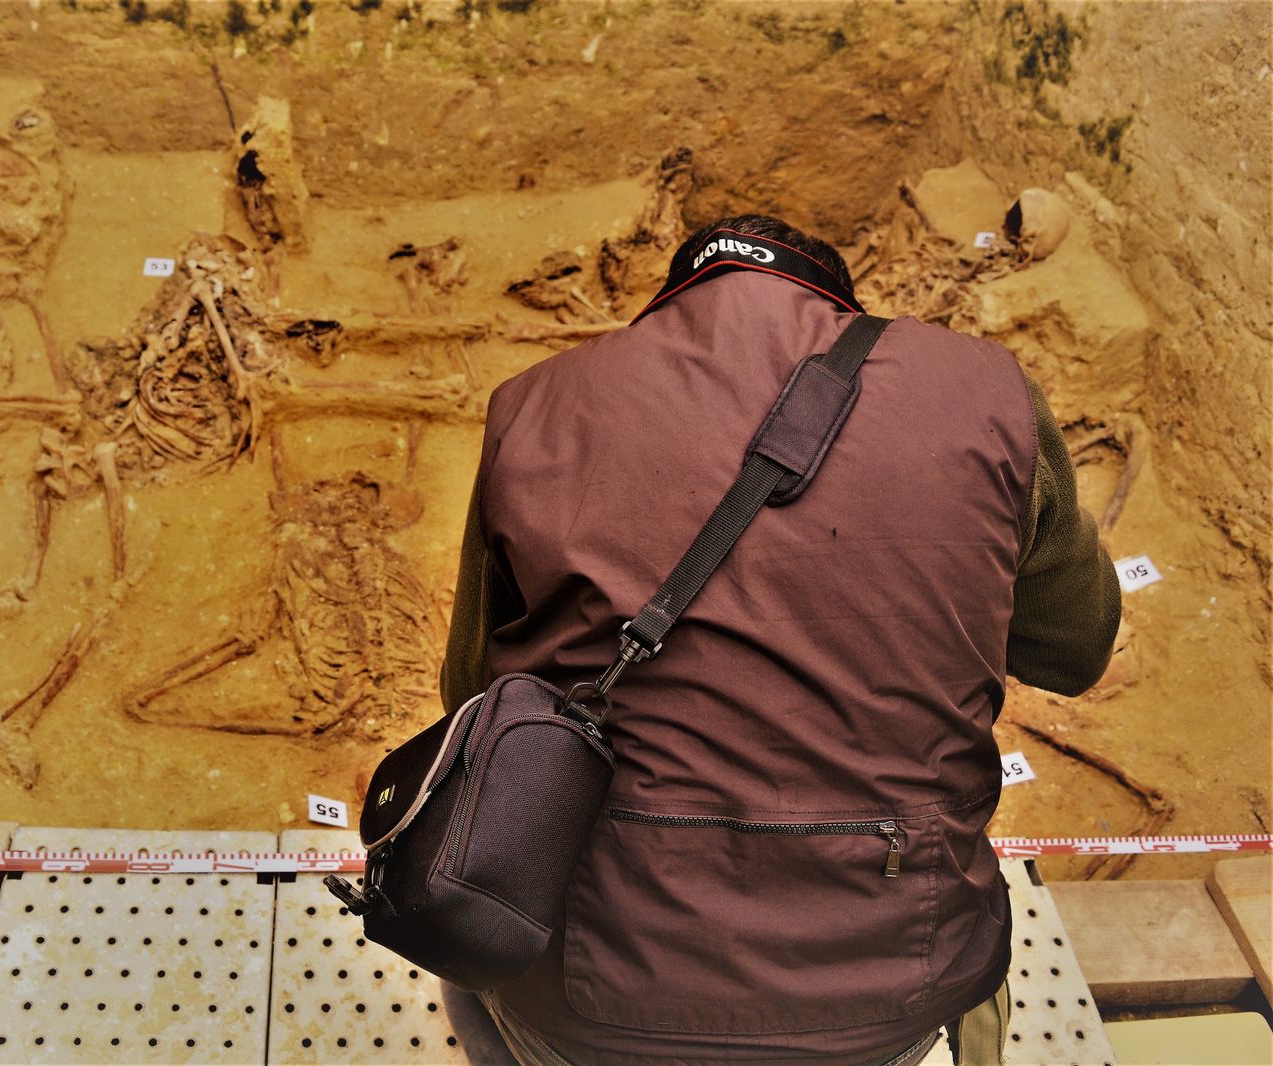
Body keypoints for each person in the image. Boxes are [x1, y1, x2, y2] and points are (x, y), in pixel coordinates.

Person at [435, 214, 1122, 1066]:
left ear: (671, 305)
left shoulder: (535, 403)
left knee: (472, 960)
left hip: (590, 1002)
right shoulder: (986, 393)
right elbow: (1078, 648)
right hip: (891, 989)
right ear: (838, 312)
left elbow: (472, 701)